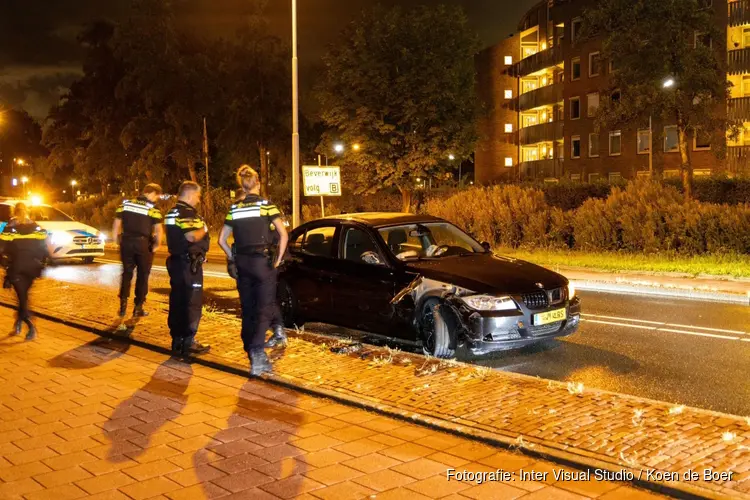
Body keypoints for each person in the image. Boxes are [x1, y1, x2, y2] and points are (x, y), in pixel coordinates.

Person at [218, 165, 288, 376]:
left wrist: (233, 257)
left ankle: (251, 352)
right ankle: (257, 352)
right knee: (265, 308)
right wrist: (278, 260)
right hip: (262, 262)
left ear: (243, 185)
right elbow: (283, 234)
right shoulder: (267, 206)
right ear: (258, 183)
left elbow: (222, 240)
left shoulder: (234, 209)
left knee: (247, 309)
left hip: (242, 263)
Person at [165, 181, 211, 358]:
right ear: (190, 194)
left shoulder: (172, 212)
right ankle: (189, 341)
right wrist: (204, 228)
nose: (198, 200)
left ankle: (177, 339)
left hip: (178, 262)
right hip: (188, 266)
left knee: (177, 301)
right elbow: (191, 236)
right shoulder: (187, 213)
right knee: (191, 303)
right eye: (198, 196)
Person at [113, 183, 164, 318]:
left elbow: (117, 224)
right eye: (157, 196)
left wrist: (117, 240)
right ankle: (138, 307)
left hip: (127, 242)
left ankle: (123, 306)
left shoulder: (126, 204)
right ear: (152, 193)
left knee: (127, 273)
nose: (156, 199)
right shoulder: (153, 208)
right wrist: (157, 245)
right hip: (143, 244)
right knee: (143, 275)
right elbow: (158, 229)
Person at [0, 203, 48, 340]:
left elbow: (1, 249)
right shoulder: (36, 226)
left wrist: (5, 267)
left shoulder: (10, 227)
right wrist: (42, 262)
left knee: (22, 298)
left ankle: (30, 326)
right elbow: (44, 247)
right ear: (27, 212)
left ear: (14, 212)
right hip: (32, 268)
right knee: (23, 297)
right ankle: (18, 322)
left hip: (17, 268)